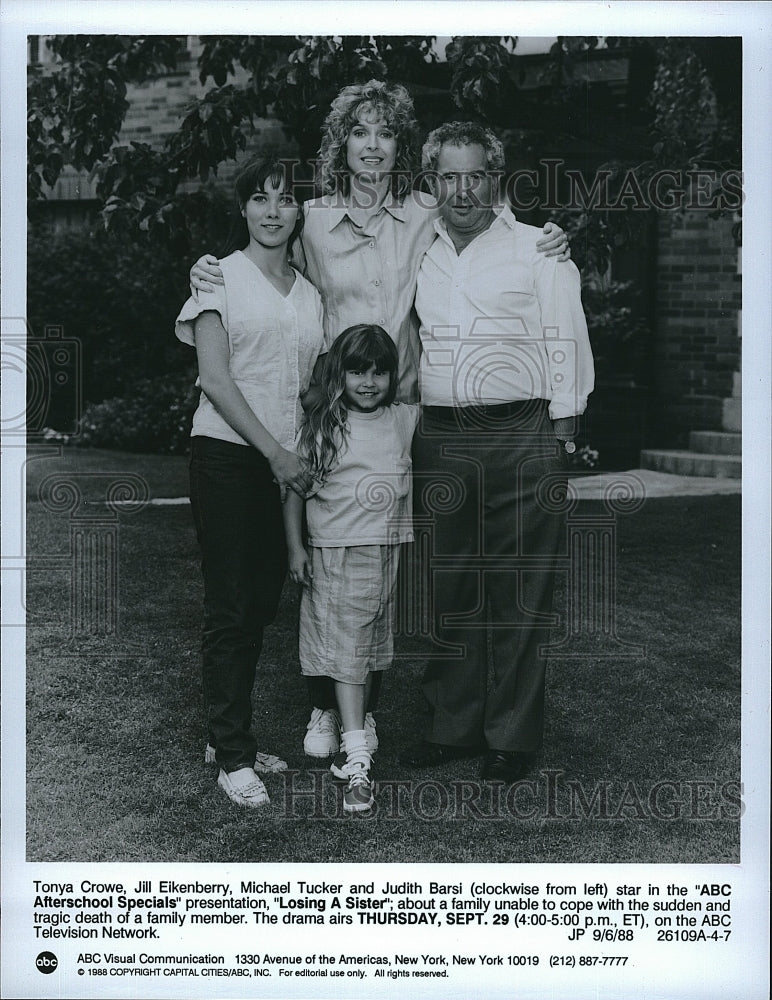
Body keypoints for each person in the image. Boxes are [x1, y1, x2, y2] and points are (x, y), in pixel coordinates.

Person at [189, 80, 569, 762]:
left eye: (384, 133)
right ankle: (323, 708)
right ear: (342, 144)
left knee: (380, 562)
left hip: (397, 416)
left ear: (399, 147)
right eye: (358, 132)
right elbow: (263, 257)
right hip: (328, 417)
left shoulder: (425, 210)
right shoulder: (309, 218)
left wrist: (549, 240)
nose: (371, 145)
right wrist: (208, 269)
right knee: (321, 561)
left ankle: (371, 704)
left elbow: (481, 206)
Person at [400, 121, 595, 784]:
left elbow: (566, 337)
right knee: (450, 588)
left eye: (474, 174)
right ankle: (453, 727)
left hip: (523, 433)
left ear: (496, 177)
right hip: (443, 437)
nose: (461, 189)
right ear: (432, 183)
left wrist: (562, 436)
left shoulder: (538, 247)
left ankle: (512, 734)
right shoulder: (416, 248)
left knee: (519, 590)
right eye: (447, 176)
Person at [175, 157, 325, 808]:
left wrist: (299, 455)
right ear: (243, 209)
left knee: (261, 602)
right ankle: (233, 757)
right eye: (259, 199)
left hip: (284, 467)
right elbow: (214, 378)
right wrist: (275, 454)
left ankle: (226, 734)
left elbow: (311, 384)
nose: (271, 210)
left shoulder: (311, 291)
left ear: (299, 213)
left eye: (284, 200)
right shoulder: (218, 278)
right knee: (231, 606)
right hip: (230, 457)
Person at [283, 325, 419, 812]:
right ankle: (355, 754)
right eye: (357, 370)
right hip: (336, 548)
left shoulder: (401, 420)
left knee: (367, 642)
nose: (369, 381)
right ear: (339, 373)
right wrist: (294, 547)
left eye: (379, 371)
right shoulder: (325, 422)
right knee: (344, 642)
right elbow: (296, 490)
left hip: (385, 549)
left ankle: (351, 718)